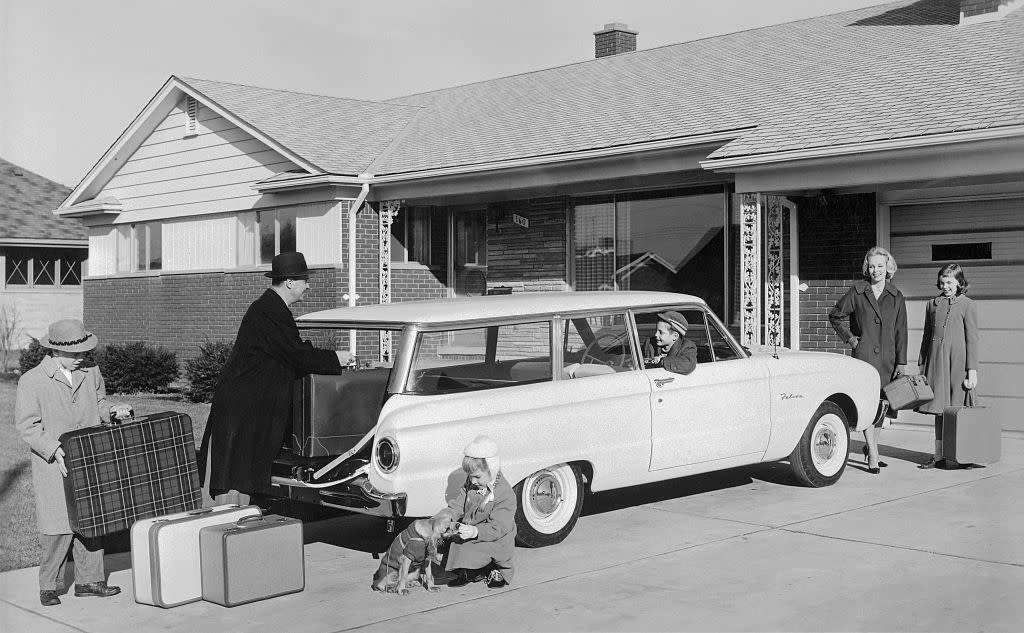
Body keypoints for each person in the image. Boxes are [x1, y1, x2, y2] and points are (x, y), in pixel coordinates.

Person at [198, 252, 352, 506]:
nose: (308, 285)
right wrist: (336, 358)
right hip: (242, 410)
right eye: (304, 280)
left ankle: (231, 526)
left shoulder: (269, 308)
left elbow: (288, 351)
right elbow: (296, 354)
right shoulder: (271, 311)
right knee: (234, 475)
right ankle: (225, 529)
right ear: (290, 282)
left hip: (244, 407)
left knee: (238, 471)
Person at [15, 319, 132, 606]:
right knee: (58, 526)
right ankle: (49, 586)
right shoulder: (32, 380)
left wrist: (113, 411)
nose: (82, 357)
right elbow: (28, 426)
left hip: (90, 457)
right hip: (55, 462)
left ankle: (89, 581)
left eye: (84, 351)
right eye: (76, 353)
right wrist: (52, 449)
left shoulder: (91, 371)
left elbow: (101, 403)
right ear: (55, 352)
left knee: (92, 521)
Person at [829, 246, 908, 474]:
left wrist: (901, 362)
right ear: (867, 267)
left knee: (883, 406)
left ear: (888, 267)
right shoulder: (858, 291)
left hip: (889, 359)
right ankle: (873, 452)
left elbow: (901, 331)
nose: (876, 270)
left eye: (880, 266)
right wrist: (852, 340)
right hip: (864, 358)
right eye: (872, 266)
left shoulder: (896, 296)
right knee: (868, 404)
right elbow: (836, 315)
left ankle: (873, 446)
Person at [916, 264, 979, 470]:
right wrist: (921, 364)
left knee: (959, 409)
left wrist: (972, 370)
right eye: (942, 282)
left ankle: (965, 454)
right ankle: (938, 455)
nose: (945, 286)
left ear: (960, 283)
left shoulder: (967, 304)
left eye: (950, 282)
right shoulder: (931, 304)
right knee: (940, 410)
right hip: (936, 362)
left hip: (959, 364)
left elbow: (972, 339)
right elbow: (926, 336)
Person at [445, 436, 517, 589]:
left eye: (477, 476)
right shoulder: (472, 484)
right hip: (472, 529)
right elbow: (460, 503)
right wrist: (447, 516)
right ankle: (473, 570)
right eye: (470, 477)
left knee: (483, 549)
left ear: (491, 470)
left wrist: (475, 531)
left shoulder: (504, 494)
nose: (472, 481)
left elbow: (498, 527)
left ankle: (493, 569)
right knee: (450, 545)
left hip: (495, 536)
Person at [643, 310, 697, 375]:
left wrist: (661, 361)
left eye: (661, 332)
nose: (656, 334)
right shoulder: (650, 343)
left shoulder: (687, 347)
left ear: (675, 336)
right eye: (656, 330)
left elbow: (687, 364)